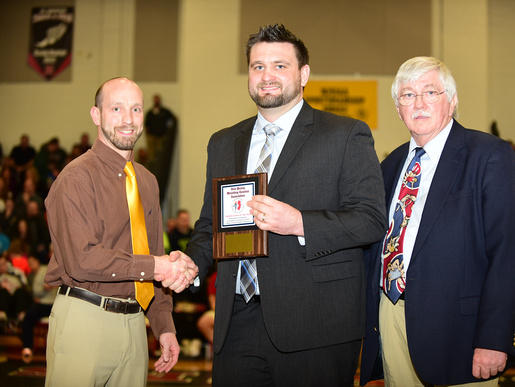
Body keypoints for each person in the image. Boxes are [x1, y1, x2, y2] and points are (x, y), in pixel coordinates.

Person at [180, 24, 386, 386]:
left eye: (280, 66)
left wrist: (299, 223)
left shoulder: (345, 134)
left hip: (315, 325)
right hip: (235, 321)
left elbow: (370, 220)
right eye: (258, 66)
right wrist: (190, 265)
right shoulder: (223, 142)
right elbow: (211, 226)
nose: (267, 76)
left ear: (303, 74)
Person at [360, 56, 515, 387]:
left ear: (451, 102)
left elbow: (510, 252)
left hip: (460, 331)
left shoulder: (488, 155)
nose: (418, 103)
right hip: (393, 315)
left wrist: (494, 338)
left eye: (430, 92)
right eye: (408, 95)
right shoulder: (389, 165)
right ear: (398, 109)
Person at [43, 77, 199, 386]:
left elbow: (152, 255)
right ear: (96, 115)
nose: (128, 120)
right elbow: (82, 261)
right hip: (84, 317)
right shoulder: (75, 178)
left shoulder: (148, 181)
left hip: (134, 325)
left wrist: (164, 324)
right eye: (117, 108)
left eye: (136, 109)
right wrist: (157, 266)